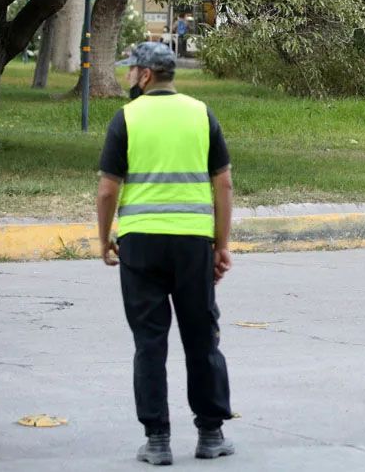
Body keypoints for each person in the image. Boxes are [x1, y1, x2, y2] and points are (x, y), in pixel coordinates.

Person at [97, 41, 236, 465]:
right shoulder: (201, 113)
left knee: (149, 342)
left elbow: (107, 189)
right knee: (201, 338)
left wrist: (104, 238)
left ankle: (157, 441)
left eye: (131, 70)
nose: (127, 77)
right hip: (193, 242)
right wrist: (222, 243)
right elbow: (224, 184)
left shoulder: (126, 118)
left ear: (145, 75)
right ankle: (210, 435)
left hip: (140, 244)